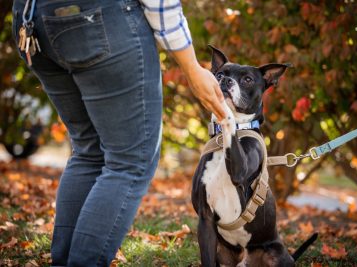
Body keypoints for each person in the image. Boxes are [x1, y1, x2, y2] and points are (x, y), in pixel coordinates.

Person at [11, 0, 226, 266]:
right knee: (130, 162)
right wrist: (192, 68)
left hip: (31, 18)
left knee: (89, 151)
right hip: (97, 19)